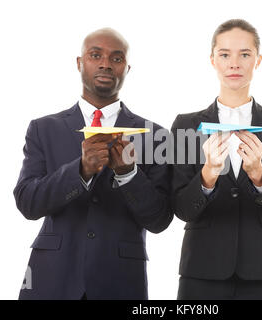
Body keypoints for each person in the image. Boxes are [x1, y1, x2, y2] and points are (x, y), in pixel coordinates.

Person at [14, 28, 173, 299]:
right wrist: (81, 171)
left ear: (127, 68)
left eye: (116, 58)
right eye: (95, 55)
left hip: (120, 281)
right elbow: (28, 203)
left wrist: (128, 174)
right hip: (53, 278)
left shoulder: (156, 135)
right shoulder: (43, 128)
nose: (105, 64)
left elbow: (159, 220)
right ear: (79, 63)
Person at [171, 19, 262, 300]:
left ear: (258, 60)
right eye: (225, 55)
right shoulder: (185, 125)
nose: (234, 64)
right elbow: (180, 208)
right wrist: (207, 175)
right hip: (201, 271)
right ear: (212, 60)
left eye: (244, 54)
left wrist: (259, 175)